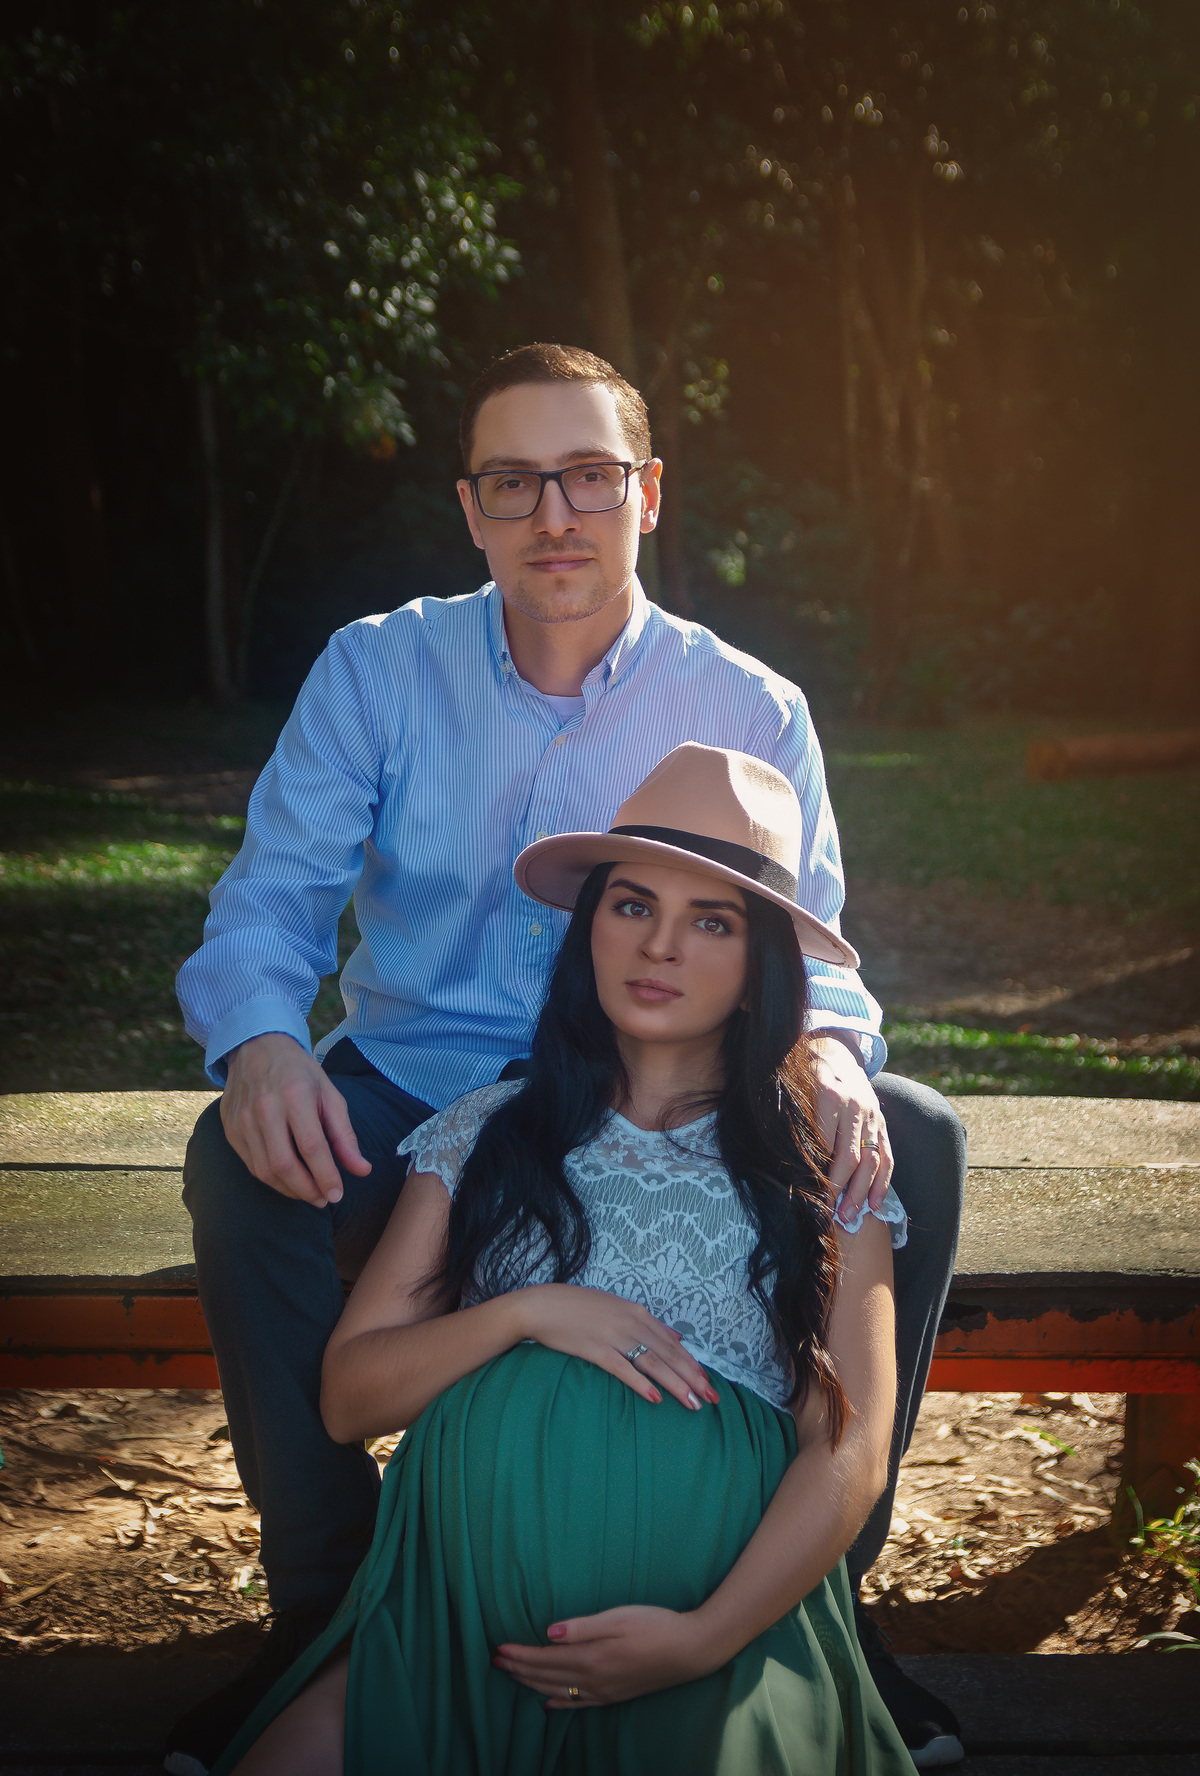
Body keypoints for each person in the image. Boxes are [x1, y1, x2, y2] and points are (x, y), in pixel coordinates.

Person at [169, 343, 965, 1775]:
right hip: (421, 1085)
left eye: (589, 477)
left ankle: (819, 1607)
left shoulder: (750, 703)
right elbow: (271, 900)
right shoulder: (378, 668)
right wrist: (265, 1043)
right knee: (242, 1165)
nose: (555, 515)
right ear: (469, 508)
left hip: (678, 1073)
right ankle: (328, 1613)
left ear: (647, 495)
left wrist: (839, 1057)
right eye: (515, 482)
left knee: (913, 1138)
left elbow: (813, 949)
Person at [215, 745, 917, 1776]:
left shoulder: (819, 1167)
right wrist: (526, 1313)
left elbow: (851, 1447)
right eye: (632, 906)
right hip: (454, 1637)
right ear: (590, 928)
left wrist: (703, 1637)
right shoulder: (487, 1132)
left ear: (758, 967)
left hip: (711, 1650)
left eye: (710, 923)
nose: (659, 947)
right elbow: (348, 1398)